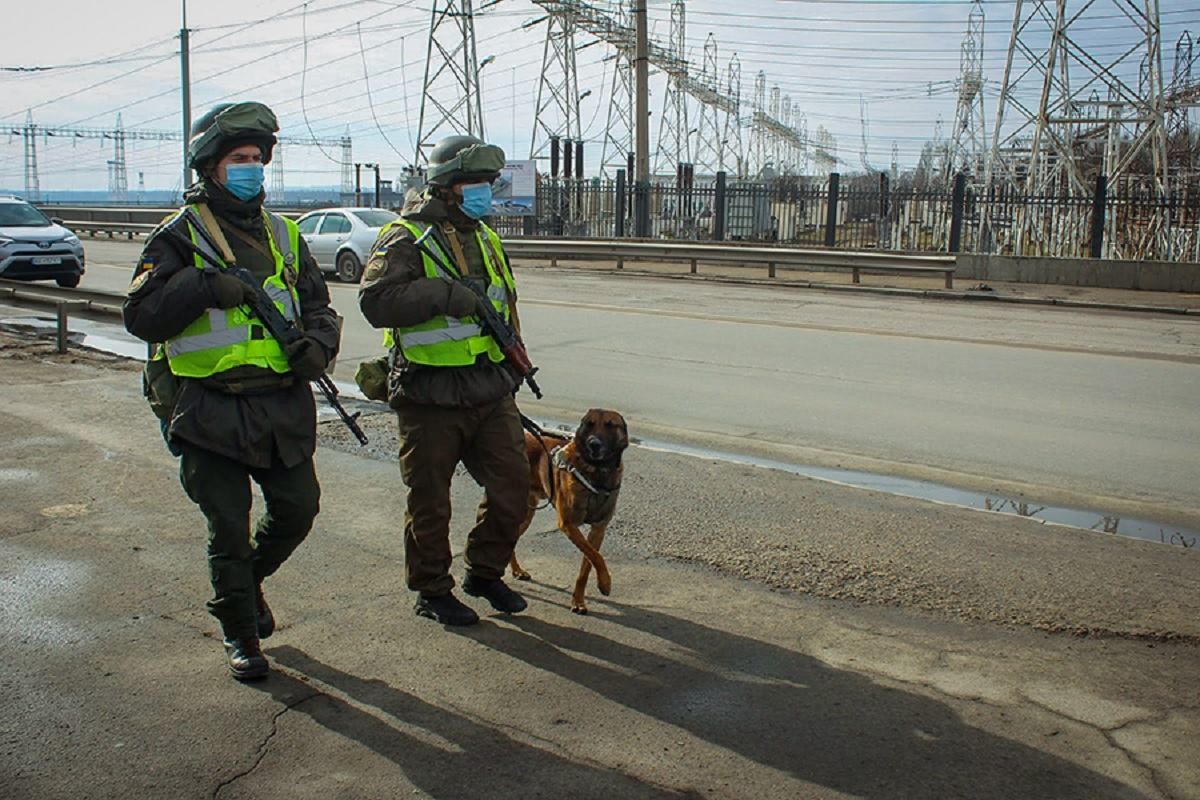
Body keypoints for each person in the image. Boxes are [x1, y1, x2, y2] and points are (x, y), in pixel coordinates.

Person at [123, 101, 340, 679]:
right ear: (210, 167)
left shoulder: (283, 234)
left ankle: (248, 583)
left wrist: (318, 347)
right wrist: (200, 286)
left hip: (279, 404)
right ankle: (239, 631)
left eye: (257, 159)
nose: (251, 168)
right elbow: (140, 317)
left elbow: (320, 308)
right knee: (228, 524)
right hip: (207, 408)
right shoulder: (177, 237)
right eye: (238, 159)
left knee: (298, 508)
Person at [359, 134, 531, 626]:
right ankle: (432, 589)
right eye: (474, 183)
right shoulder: (405, 237)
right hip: (428, 391)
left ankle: (484, 572)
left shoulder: (485, 236)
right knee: (430, 503)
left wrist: (513, 361)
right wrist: (442, 294)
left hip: (489, 387)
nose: (484, 193)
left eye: (488, 184)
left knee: (514, 488)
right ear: (446, 186)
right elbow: (375, 303)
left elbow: (503, 306)